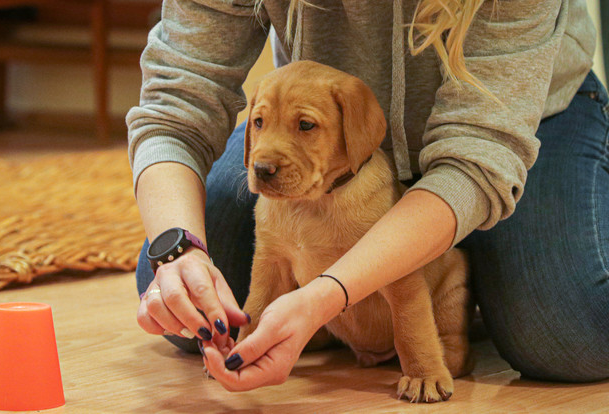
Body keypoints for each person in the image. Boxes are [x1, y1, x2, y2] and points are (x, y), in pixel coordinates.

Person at [126, 0, 608, 391]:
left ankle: (474, 279)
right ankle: (375, 314)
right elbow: (177, 101)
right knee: (182, 301)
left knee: (567, 334)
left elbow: (478, 152)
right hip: (328, 141)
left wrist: (325, 296)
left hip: (516, 123)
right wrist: (178, 246)